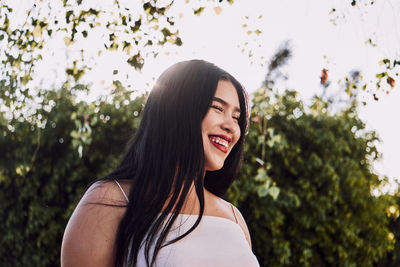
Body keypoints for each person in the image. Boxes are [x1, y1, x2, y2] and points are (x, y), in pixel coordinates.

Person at [61, 59, 260, 267]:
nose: (231, 127)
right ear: (178, 110)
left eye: (237, 118)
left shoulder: (233, 217)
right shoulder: (110, 200)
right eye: (218, 108)